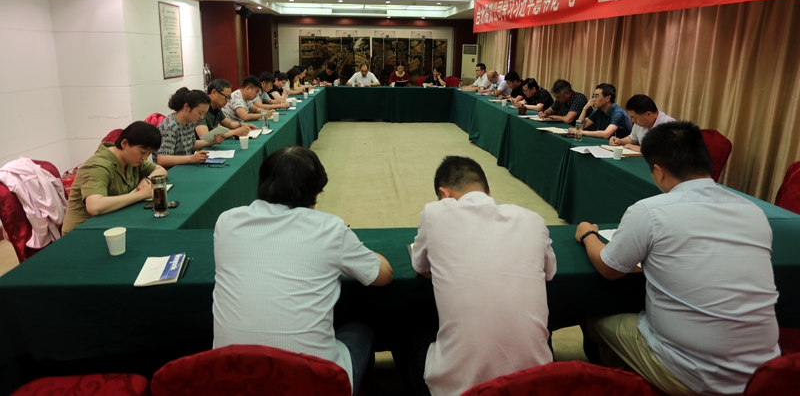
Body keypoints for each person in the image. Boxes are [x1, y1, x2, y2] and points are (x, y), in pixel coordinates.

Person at [575, 121, 779, 396]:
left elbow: (609, 269)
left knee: (594, 318)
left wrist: (587, 234)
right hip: (764, 373)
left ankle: (630, 379)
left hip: (692, 373)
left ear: (658, 172)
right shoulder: (754, 211)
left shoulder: (649, 211)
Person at [213, 146, 394, 396]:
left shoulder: (226, 222)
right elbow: (383, 276)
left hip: (232, 382)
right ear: (315, 194)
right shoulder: (330, 229)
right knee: (362, 327)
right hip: (314, 385)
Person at [395, 156, 556, 396]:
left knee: (401, 323)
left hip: (461, 390)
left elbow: (420, 266)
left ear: (444, 194)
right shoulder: (533, 219)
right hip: (535, 385)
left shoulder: (435, 213)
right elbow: (549, 273)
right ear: (488, 193)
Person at [63, 121, 167, 233]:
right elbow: (94, 206)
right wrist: (140, 195)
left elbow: (161, 170)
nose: (145, 158)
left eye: (149, 154)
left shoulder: (131, 159)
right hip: (82, 231)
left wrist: (147, 180)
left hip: (110, 223)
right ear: (124, 143)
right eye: (142, 152)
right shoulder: (98, 165)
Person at [155, 88, 219, 168]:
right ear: (187, 107)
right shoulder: (170, 127)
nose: (202, 117)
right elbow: (162, 159)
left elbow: (190, 144)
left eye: (204, 114)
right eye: (200, 113)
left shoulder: (189, 122)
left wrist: (212, 141)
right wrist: (192, 158)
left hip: (184, 166)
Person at [610, 95, 675, 152]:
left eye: (634, 117)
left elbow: (668, 151)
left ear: (648, 114)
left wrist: (642, 149)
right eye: (631, 117)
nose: (633, 121)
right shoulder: (640, 123)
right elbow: (632, 139)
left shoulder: (669, 124)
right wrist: (620, 141)